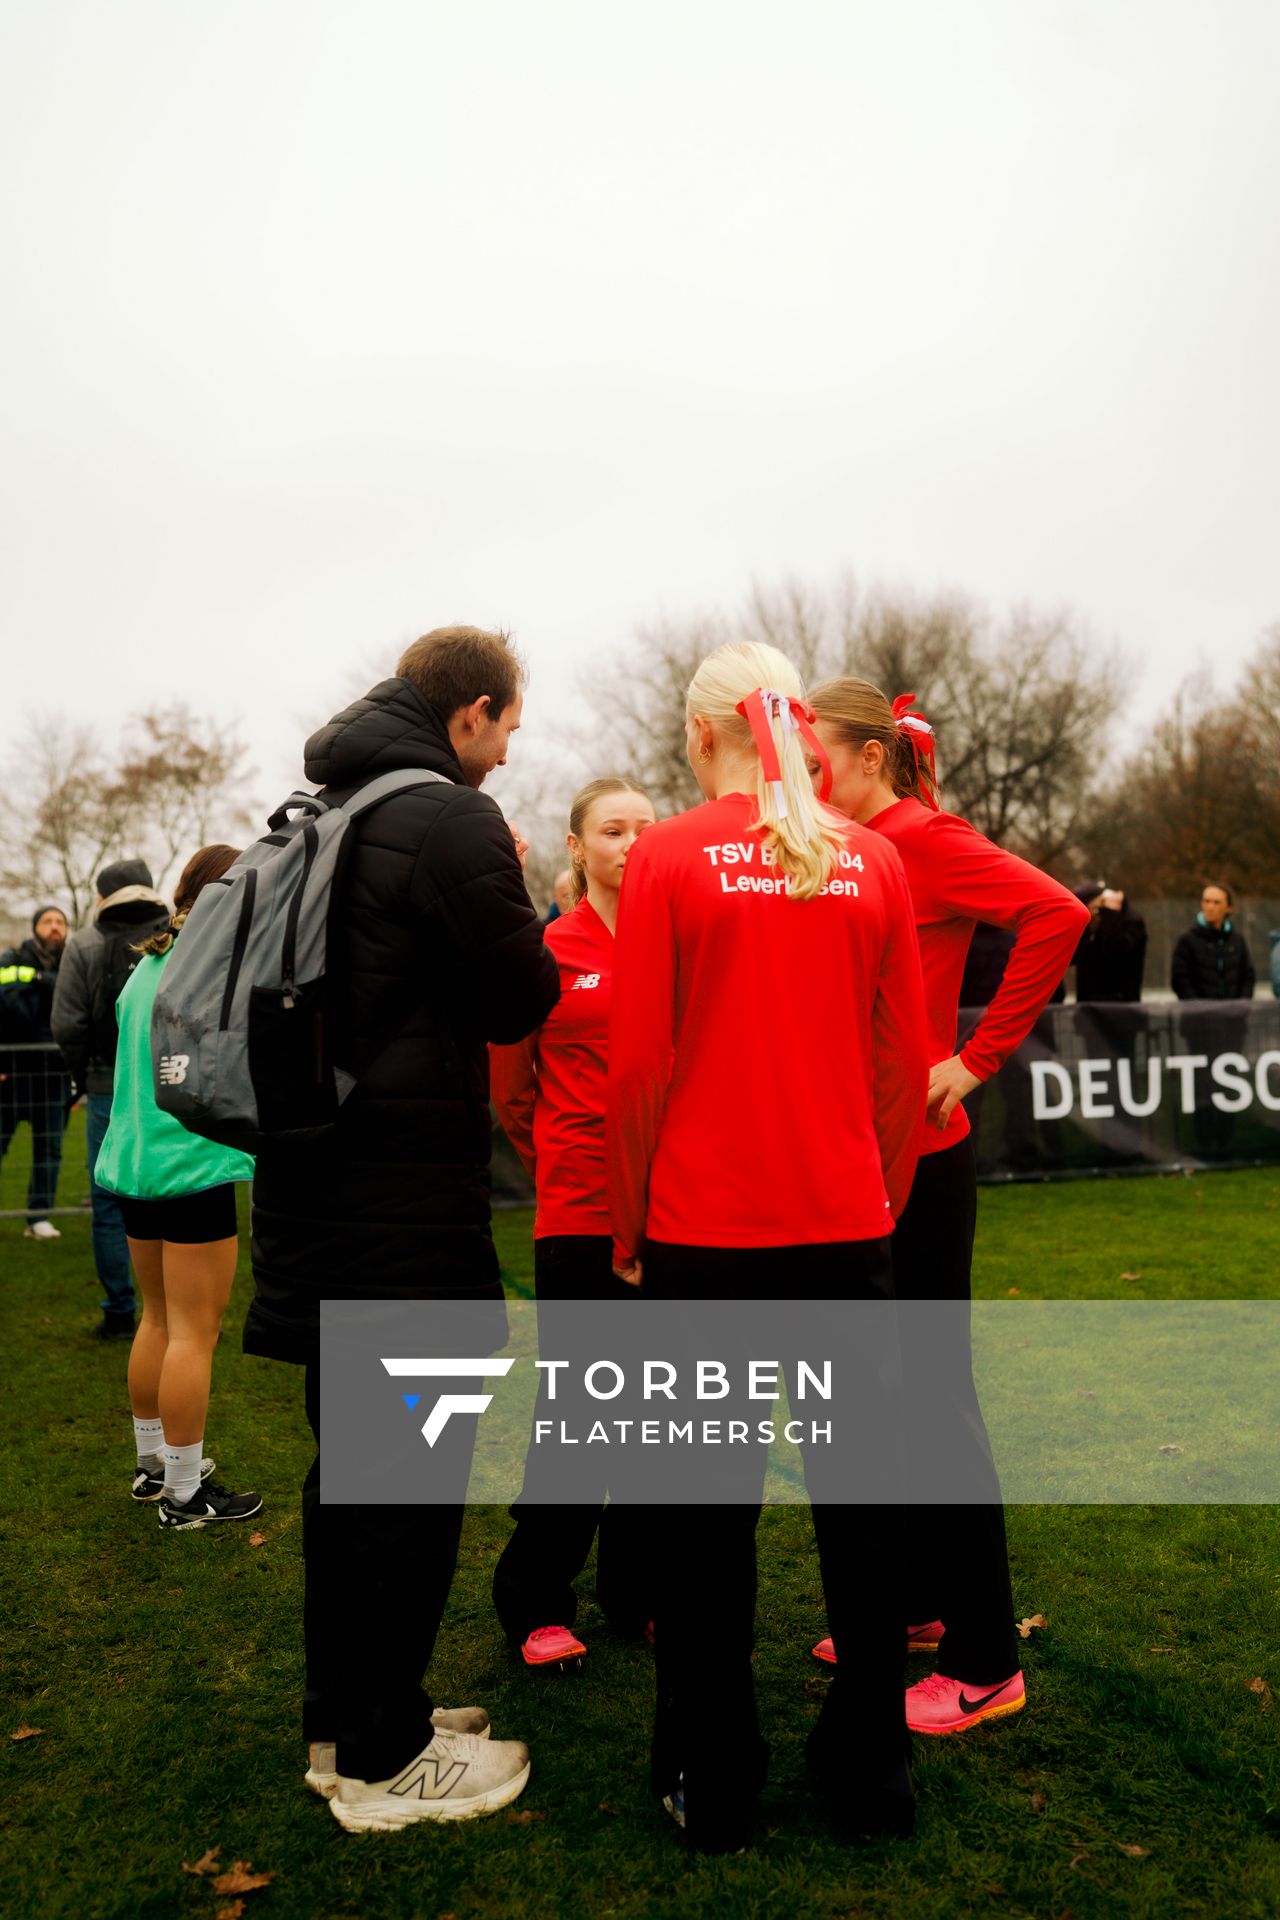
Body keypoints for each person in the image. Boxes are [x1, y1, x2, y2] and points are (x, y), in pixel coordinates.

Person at [606, 641, 929, 1852]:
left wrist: (629, 1223)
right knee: (863, 1519)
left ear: (703, 736)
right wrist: (874, 1193)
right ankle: (870, 1780)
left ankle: (715, 1783)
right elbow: (903, 1064)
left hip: (704, 1237)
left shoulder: (667, 856)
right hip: (845, 1229)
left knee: (701, 1526)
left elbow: (637, 1067)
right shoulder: (873, 857)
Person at [243, 626, 559, 1832]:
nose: (508, 753)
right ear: (470, 713)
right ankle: (382, 1762)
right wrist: (510, 889)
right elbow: (522, 994)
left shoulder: (322, 808)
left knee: (355, 1488)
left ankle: (354, 1718)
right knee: (406, 1496)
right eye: (508, 728)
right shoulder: (448, 818)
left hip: (321, 1210)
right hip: (404, 1226)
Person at [805, 678, 1089, 1735]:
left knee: (933, 1403)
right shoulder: (847, 846)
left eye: (819, 763)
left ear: (872, 758)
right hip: (862, 1163)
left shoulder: (922, 837)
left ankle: (984, 1660)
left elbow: (1056, 914)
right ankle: (917, 1607)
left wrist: (973, 1059)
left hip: (923, 1161)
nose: (806, 782)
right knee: (886, 1397)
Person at [490, 777, 656, 1669]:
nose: (632, 844)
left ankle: (637, 1592)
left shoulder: (682, 943)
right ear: (578, 847)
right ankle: (534, 1597)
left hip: (677, 1215)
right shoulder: (547, 952)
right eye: (613, 830)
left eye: (645, 828)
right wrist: (568, 1160)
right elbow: (513, 1094)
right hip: (582, 1214)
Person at [93, 847, 260, 1524]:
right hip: (190, 1165)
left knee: (158, 1319)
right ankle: (185, 1496)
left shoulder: (149, 964)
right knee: (194, 1332)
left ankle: (154, 1464)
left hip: (137, 1165)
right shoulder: (211, 964)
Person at [52, 860, 170, 1336]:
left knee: (107, 1202)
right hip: (171, 1083)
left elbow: (68, 1023)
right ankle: (181, 1308)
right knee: (177, 1194)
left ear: (102, 896)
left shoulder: (84, 942)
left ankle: (120, 1311)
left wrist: (82, 1074)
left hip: (107, 1086)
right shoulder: (176, 933)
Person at [1, 906, 72, 1239]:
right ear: (35, 928)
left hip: (55, 1077)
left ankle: (39, 1217)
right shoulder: (12, 958)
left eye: (60, 922)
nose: (54, 927)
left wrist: (36, 979)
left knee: (49, 1149)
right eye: (47, 921)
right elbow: (9, 1005)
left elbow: (71, 998)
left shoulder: (72, 962)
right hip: (11, 1075)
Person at [1171, 884, 1256, 999]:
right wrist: (1196, 1006)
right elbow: (1180, 979)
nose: (1210, 907)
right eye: (1206, 901)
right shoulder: (1187, 940)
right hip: (1197, 1010)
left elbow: (1248, 977)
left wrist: (1242, 1004)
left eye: (1217, 902)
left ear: (1229, 907)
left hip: (1234, 1009)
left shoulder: (1237, 941)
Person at [1074, 887, 1147, 1002]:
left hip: (1119, 1003)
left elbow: (1118, 951)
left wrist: (1109, 914)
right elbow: (1075, 956)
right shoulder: (1093, 924)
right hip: (1088, 1003)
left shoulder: (1130, 921)